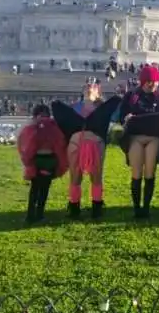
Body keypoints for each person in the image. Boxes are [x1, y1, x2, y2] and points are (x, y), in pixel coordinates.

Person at [51, 83, 121, 219]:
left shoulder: (102, 108)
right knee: (75, 176)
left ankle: (97, 207)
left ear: (98, 92)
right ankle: (74, 207)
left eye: (93, 86)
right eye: (86, 86)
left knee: (96, 175)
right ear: (82, 91)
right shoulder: (74, 108)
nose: (89, 87)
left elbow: (116, 115)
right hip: (76, 143)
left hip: (96, 144)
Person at [118, 65, 159, 219]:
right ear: (143, 81)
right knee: (136, 173)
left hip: (153, 138)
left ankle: (146, 207)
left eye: (155, 81)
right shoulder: (132, 96)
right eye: (149, 81)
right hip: (136, 137)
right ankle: (137, 207)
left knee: (150, 172)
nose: (152, 84)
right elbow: (122, 115)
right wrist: (125, 118)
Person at [16, 104, 68, 223]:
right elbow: (60, 143)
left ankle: (30, 215)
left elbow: (25, 144)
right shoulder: (53, 126)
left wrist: (27, 160)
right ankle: (40, 214)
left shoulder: (31, 126)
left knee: (34, 188)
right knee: (44, 188)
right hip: (50, 159)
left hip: (36, 159)